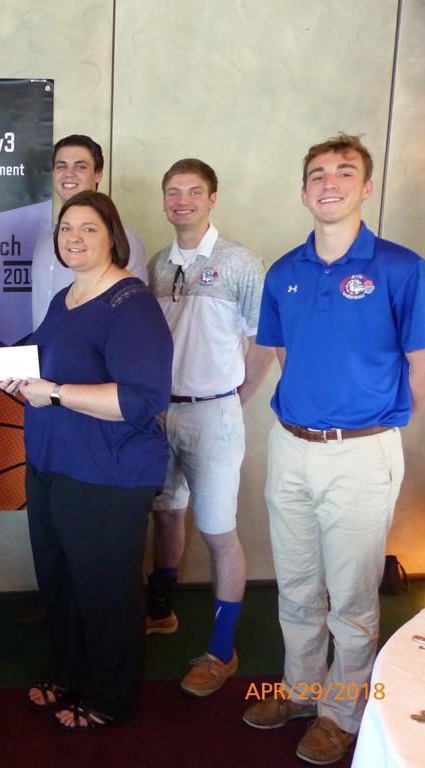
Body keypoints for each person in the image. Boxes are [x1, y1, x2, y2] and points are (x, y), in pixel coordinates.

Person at [243, 133, 425, 765]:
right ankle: (303, 690)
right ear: (304, 191)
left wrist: (375, 424)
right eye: (317, 174)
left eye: (344, 172)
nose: (329, 183)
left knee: (353, 598)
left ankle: (342, 712)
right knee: (297, 586)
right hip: (291, 447)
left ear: (366, 187)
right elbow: (284, 353)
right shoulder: (284, 272)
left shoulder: (402, 268)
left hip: (362, 454)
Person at [2, 190, 172, 730]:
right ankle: (69, 675)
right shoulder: (65, 298)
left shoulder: (132, 304)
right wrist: (4, 376)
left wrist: (53, 392)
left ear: (112, 237)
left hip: (108, 472)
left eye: (88, 228)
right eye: (66, 228)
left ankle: (110, 698)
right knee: (61, 583)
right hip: (53, 463)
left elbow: (143, 399)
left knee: (105, 592)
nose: (74, 237)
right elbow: (41, 362)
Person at [145, 159, 274, 696]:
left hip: (214, 413)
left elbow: (264, 341)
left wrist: (234, 400)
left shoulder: (241, 261)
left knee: (218, 532)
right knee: (166, 514)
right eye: (173, 192)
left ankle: (222, 649)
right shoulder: (157, 263)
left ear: (212, 199)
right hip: (161, 412)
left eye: (194, 192)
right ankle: (161, 611)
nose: (182, 201)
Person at [31, 134, 148, 331]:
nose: (69, 173)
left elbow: (135, 313)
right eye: (61, 166)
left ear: (98, 174)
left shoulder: (121, 239)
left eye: (80, 166)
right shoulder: (44, 243)